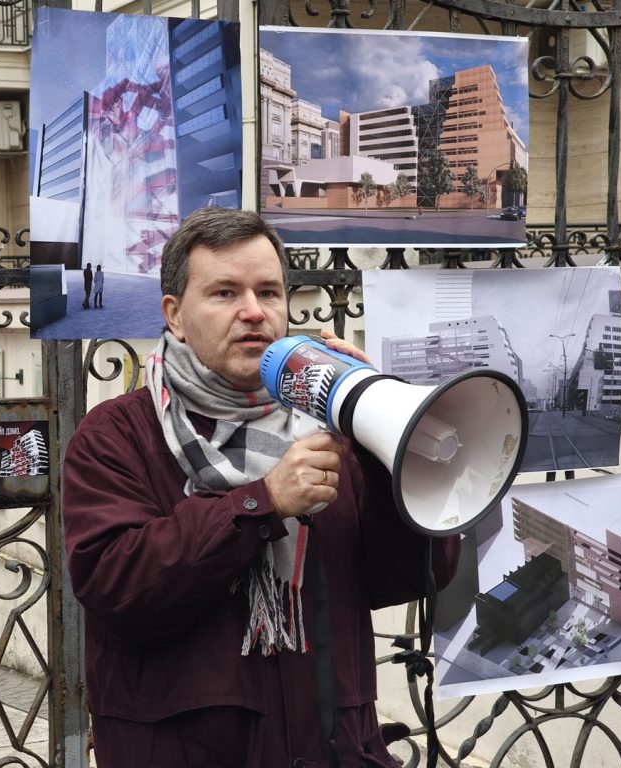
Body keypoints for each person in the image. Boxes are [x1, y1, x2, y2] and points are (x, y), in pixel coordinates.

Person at [62, 207, 460, 768]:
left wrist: (380, 443)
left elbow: (414, 575)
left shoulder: (328, 427)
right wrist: (262, 502)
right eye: (225, 293)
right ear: (175, 316)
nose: (254, 311)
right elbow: (116, 587)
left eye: (269, 292)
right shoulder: (115, 434)